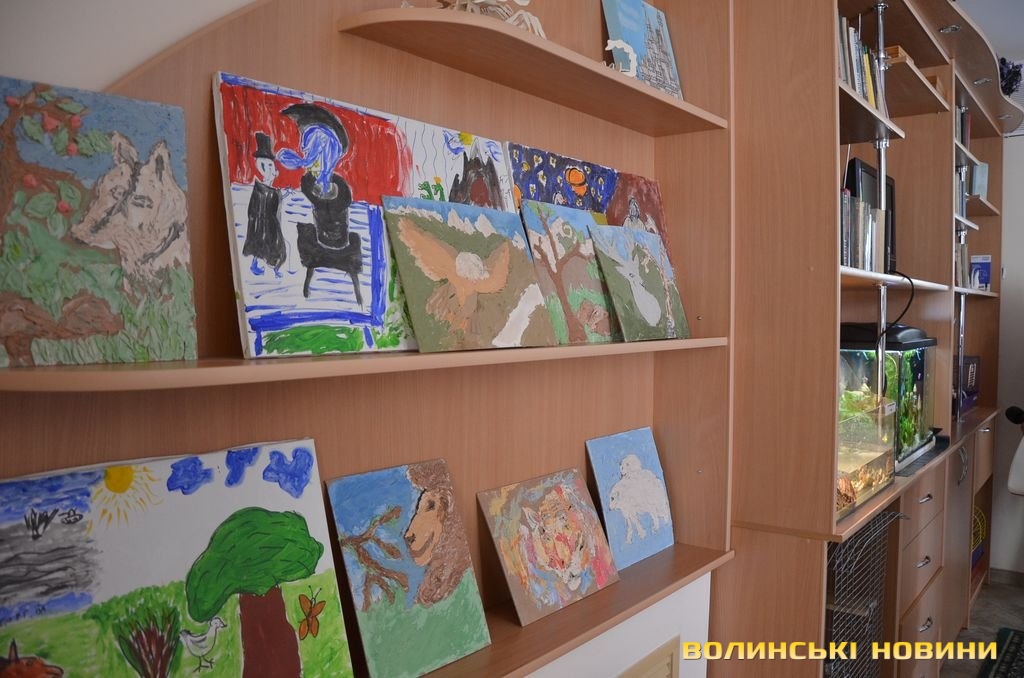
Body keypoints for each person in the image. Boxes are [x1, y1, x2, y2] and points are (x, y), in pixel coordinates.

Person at [242, 132, 286, 276]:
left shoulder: (264, 186)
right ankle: (270, 268)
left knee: (268, 243)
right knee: (267, 242)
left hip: (266, 217)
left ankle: (271, 267)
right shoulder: (265, 164)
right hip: (265, 218)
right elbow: (254, 210)